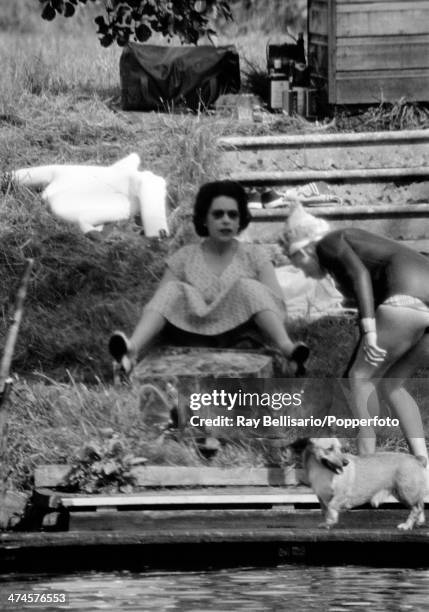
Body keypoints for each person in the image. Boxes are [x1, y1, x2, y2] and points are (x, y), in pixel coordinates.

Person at [109, 180, 309, 377]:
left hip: (241, 337)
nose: (226, 220)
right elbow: (159, 305)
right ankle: (130, 350)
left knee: (248, 287)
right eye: (218, 214)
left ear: (240, 221)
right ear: (205, 218)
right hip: (191, 337)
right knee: (171, 290)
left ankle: (288, 350)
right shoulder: (184, 257)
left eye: (232, 215)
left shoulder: (255, 255)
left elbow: (277, 305)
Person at [283, 200, 429, 462]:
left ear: (303, 252)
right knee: (391, 384)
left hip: (406, 299)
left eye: (298, 265)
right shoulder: (354, 247)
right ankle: (424, 465)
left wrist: (371, 334)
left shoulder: (328, 243)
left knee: (361, 379)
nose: (304, 274)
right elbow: (368, 300)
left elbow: (360, 275)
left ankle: (368, 467)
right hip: (419, 303)